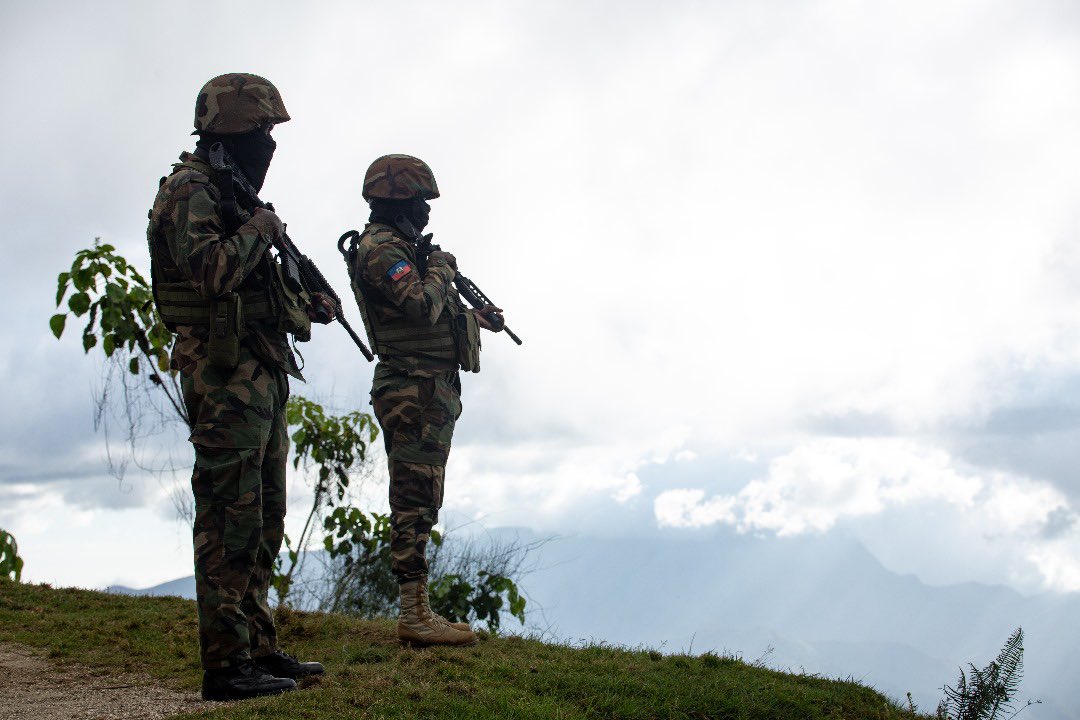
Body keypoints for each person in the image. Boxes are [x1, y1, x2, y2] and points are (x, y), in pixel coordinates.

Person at [146, 73, 332, 701]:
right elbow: (210, 273)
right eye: (262, 132)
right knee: (229, 517)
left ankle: (257, 645)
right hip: (223, 375)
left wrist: (309, 296)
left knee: (264, 517)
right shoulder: (190, 192)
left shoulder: (235, 192)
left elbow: (260, 279)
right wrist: (263, 230)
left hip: (259, 372)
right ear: (232, 129)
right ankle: (225, 665)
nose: (270, 146)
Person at [346, 154, 504, 647]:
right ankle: (413, 615)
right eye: (420, 201)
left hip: (428, 387)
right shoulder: (381, 250)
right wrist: (439, 268)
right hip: (411, 389)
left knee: (424, 498)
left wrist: (474, 320)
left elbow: (431, 318)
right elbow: (418, 306)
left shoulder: (401, 247)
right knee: (413, 500)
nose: (427, 212)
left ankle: (420, 609)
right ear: (398, 201)